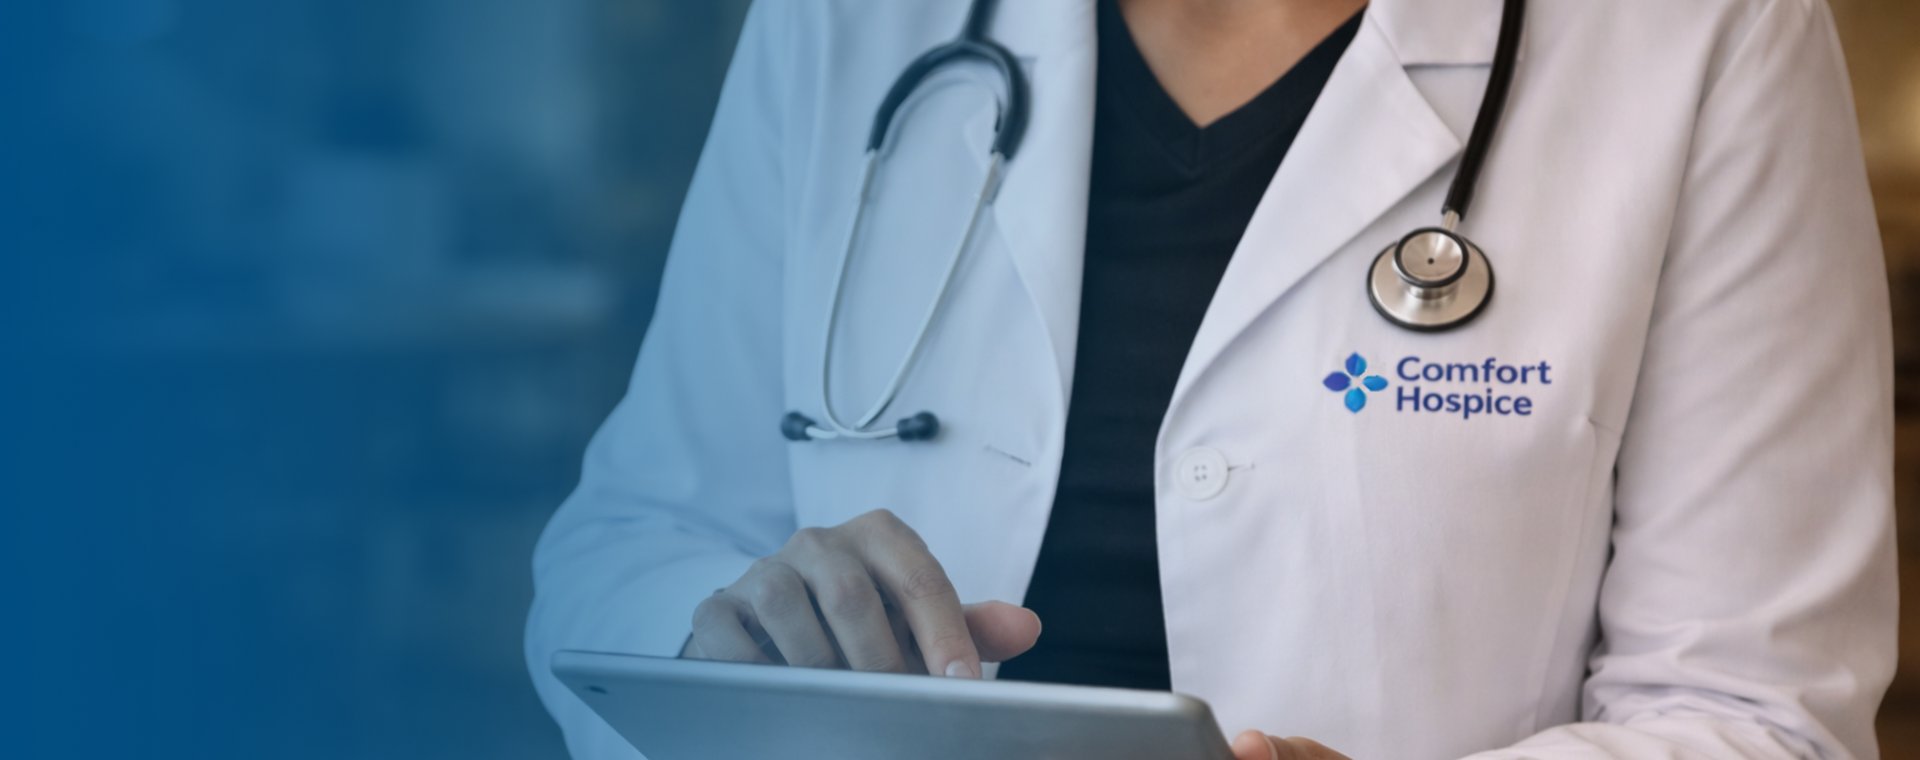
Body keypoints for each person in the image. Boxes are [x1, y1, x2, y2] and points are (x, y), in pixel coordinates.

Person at [526, 0, 1897, 757]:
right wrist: (719, 636)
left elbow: (1755, 713)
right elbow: (637, 539)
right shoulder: (855, 23)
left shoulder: (1702, 34)